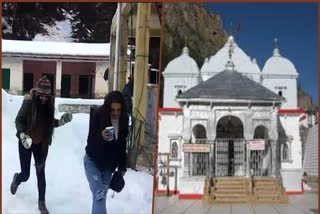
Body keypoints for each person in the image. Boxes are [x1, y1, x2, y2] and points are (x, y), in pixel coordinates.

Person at [10, 76, 73, 214]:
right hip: (26, 142)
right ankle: (17, 179)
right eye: (41, 95)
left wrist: (61, 121)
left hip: (41, 145)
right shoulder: (28, 102)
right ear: (37, 93)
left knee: (40, 173)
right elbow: (19, 121)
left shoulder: (49, 105)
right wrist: (22, 134)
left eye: (47, 96)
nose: (44, 98)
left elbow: (50, 123)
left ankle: (42, 203)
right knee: (25, 174)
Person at [84, 90, 129, 214]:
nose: (115, 113)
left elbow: (122, 144)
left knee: (100, 197)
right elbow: (90, 142)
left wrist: (122, 167)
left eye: (118, 110)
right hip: (92, 161)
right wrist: (100, 137)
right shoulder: (98, 116)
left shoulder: (124, 119)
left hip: (109, 166)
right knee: (99, 196)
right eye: (113, 109)